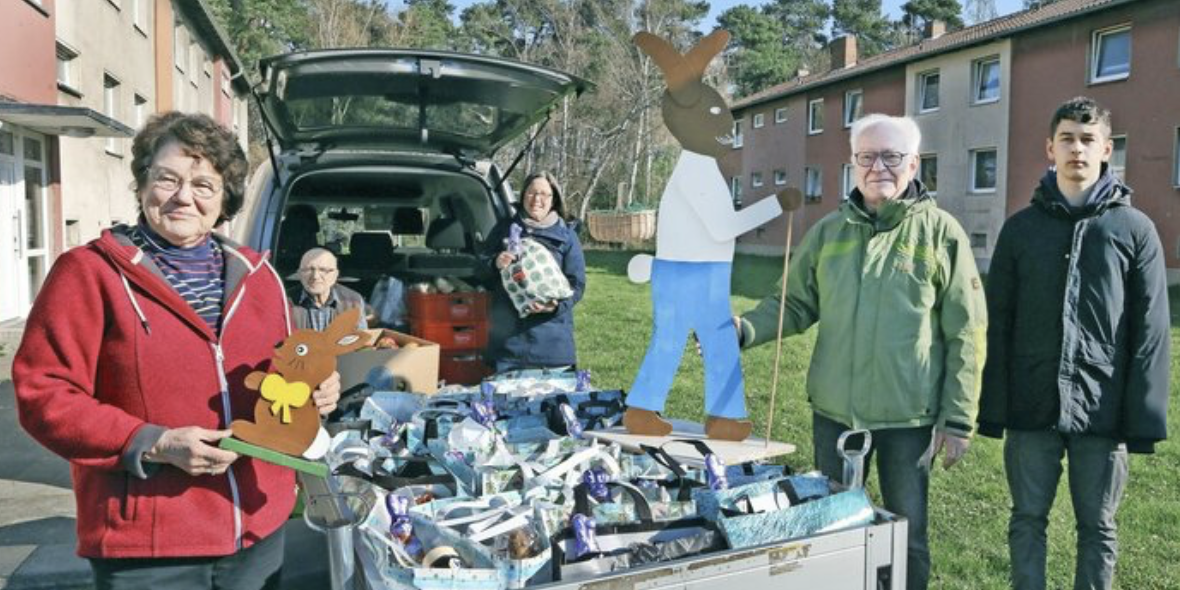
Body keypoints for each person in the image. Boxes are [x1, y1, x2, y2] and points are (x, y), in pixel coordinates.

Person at [12, 112, 341, 590]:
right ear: (143, 181)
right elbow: (43, 395)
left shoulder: (260, 276)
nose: (184, 196)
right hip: (150, 544)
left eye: (204, 184)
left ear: (225, 197)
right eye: (167, 178)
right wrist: (153, 442)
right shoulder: (89, 273)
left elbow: (289, 366)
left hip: (258, 527)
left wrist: (317, 387)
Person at [736, 114, 987, 590]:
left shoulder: (940, 233)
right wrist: (744, 328)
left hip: (907, 420)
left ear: (914, 164)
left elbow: (967, 332)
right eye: (867, 157)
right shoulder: (829, 232)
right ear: (853, 164)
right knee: (831, 529)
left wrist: (958, 419)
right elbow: (793, 302)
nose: (879, 167)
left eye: (892, 157)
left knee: (906, 536)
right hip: (835, 414)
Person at [978, 97, 1169, 590]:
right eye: (1067, 138)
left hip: (1103, 412)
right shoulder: (1021, 231)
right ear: (1050, 148)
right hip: (1032, 405)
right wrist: (996, 409)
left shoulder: (1135, 231)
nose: (1077, 149)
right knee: (1026, 521)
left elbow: (1150, 332)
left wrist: (1140, 420)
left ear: (1107, 150)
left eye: (1088, 140)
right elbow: (998, 324)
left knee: (1098, 528)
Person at [482, 171, 586, 372]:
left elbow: (577, 284)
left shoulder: (567, 236)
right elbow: (480, 270)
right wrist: (495, 263)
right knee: (507, 403)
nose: (537, 199)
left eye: (544, 194)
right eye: (531, 193)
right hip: (509, 347)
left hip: (553, 347)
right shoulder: (504, 229)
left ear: (553, 199)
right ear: (522, 196)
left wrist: (555, 306)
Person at [291, 247, 368, 332]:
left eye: (323, 270)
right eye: (308, 270)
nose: (315, 276)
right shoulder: (285, 302)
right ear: (299, 273)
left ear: (336, 274)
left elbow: (360, 339)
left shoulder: (353, 301)